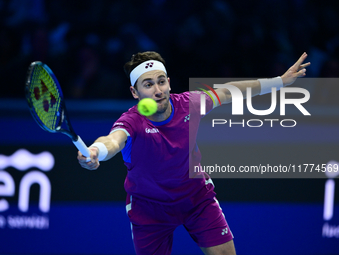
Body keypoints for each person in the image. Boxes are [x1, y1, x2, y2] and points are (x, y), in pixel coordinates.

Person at [78, 51, 310, 255]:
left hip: (196, 199)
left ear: (169, 82)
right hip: (149, 209)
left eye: (161, 81)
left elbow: (230, 92)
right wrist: (96, 150)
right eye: (148, 84)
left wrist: (279, 81)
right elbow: (112, 141)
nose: (157, 90)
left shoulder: (191, 104)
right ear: (135, 92)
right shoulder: (131, 121)